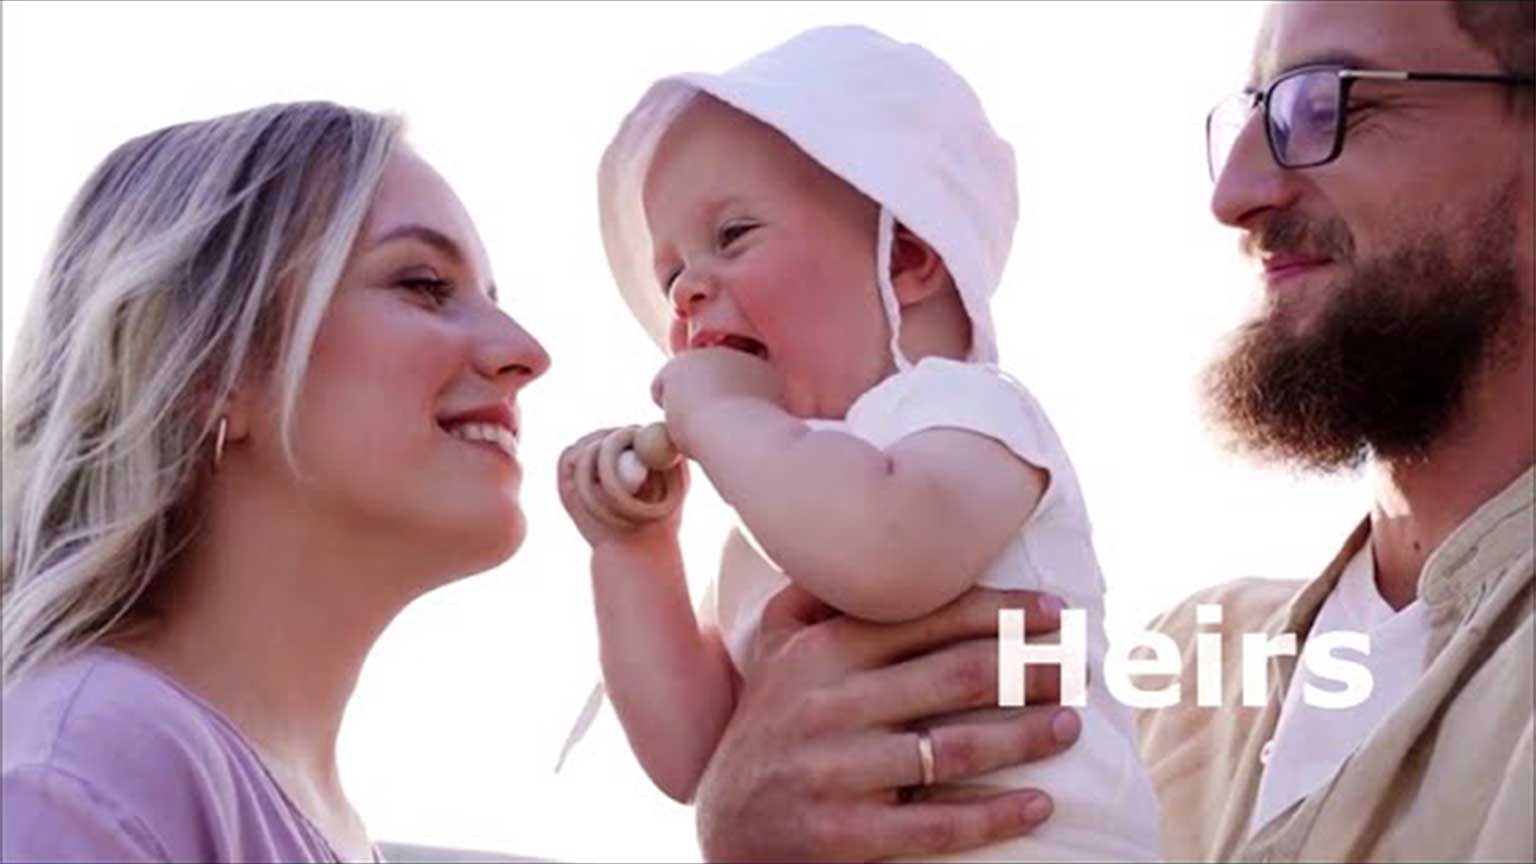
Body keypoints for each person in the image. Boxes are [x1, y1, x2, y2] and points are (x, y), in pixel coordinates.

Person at [689, 1, 1535, 861]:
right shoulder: (1177, 674)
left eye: (1324, 105)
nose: (1234, 196)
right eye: (1252, 117)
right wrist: (745, 822)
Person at [559, 25, 1161, 861]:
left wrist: (731, 422)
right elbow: (693, 757)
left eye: (732, 235)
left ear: (907, 257)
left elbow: (884, 553)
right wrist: (633, 551)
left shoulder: (972, 415)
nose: (689, 289)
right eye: (670, 276)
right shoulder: (773, 516)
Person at [1, 102, 550, 862]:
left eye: (493, 298)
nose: (526, 352)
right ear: (212, 364)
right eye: (424, 284)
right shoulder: (89, 772)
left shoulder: (311, 822)